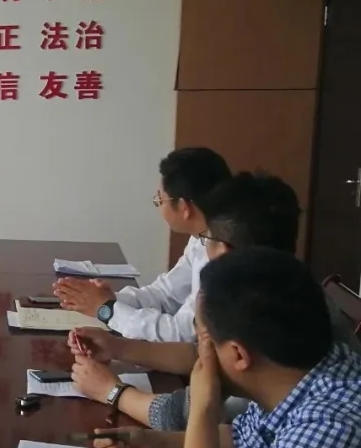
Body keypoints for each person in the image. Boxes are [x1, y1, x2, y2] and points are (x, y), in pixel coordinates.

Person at [92, 247, 361, 448]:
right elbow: (239, 445)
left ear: (238, 355)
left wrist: (203, 406)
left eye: (204, 340)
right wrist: (153, 444)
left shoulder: (329, 429)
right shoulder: (307, 370)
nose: (198, 352)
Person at [69, 172, 359, 429]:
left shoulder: (259, 310)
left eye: (205, 239)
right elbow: (202, 355)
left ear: (225, 250)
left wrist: (111, 391)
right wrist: (118, 347)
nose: (201, 248)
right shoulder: (284, 286)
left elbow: (192, 414)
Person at [54, 147, 230, 342]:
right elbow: (166, 294)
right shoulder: (201, 237)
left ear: (183, 207)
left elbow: (184, 333)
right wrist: (111, 299)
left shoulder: (224, 253)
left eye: (159, 199)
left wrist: (107, 310)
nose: (158, 205)